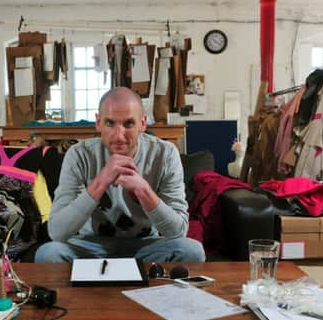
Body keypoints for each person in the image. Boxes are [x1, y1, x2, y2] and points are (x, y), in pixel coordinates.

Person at [35, 87, 205, 263]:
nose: (119, 135)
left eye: (129, 123)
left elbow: (178, 232)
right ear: (98, 123)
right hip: (90, 246)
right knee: (48, 253)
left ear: (143, 124)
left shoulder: (165, 154)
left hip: (146, 245)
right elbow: (57, 232)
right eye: (110, 123)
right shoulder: (78, 155)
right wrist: (100, 182)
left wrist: (145, 191)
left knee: (192, 251)